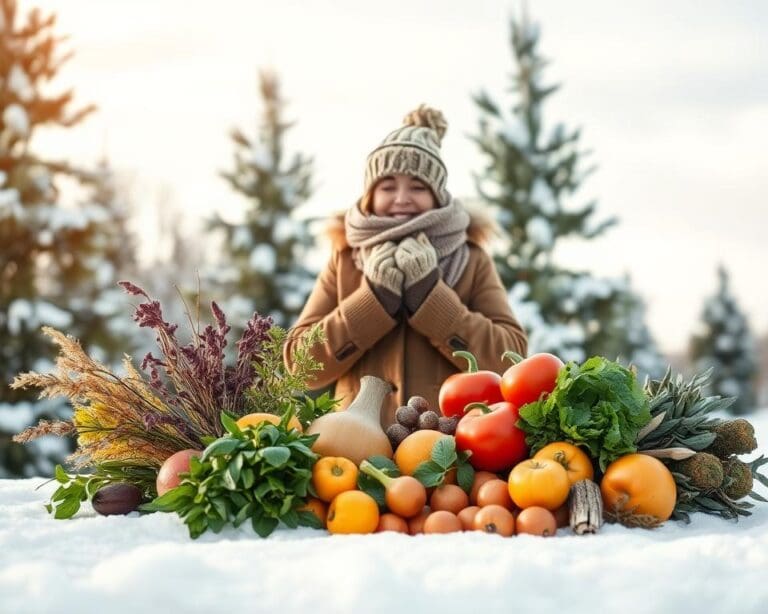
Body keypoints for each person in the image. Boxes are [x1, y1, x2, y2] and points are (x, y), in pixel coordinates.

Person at [284, 104, 527, 428]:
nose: (401, 198)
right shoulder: (344, 259)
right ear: (370, 195)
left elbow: (512, 360)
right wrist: (373, 300)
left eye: (418, 187)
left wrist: (430, 297)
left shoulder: (471, 259)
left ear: (438, 196)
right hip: (353, 447)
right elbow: (300, 366)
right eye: (387, 186)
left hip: (449, 444)